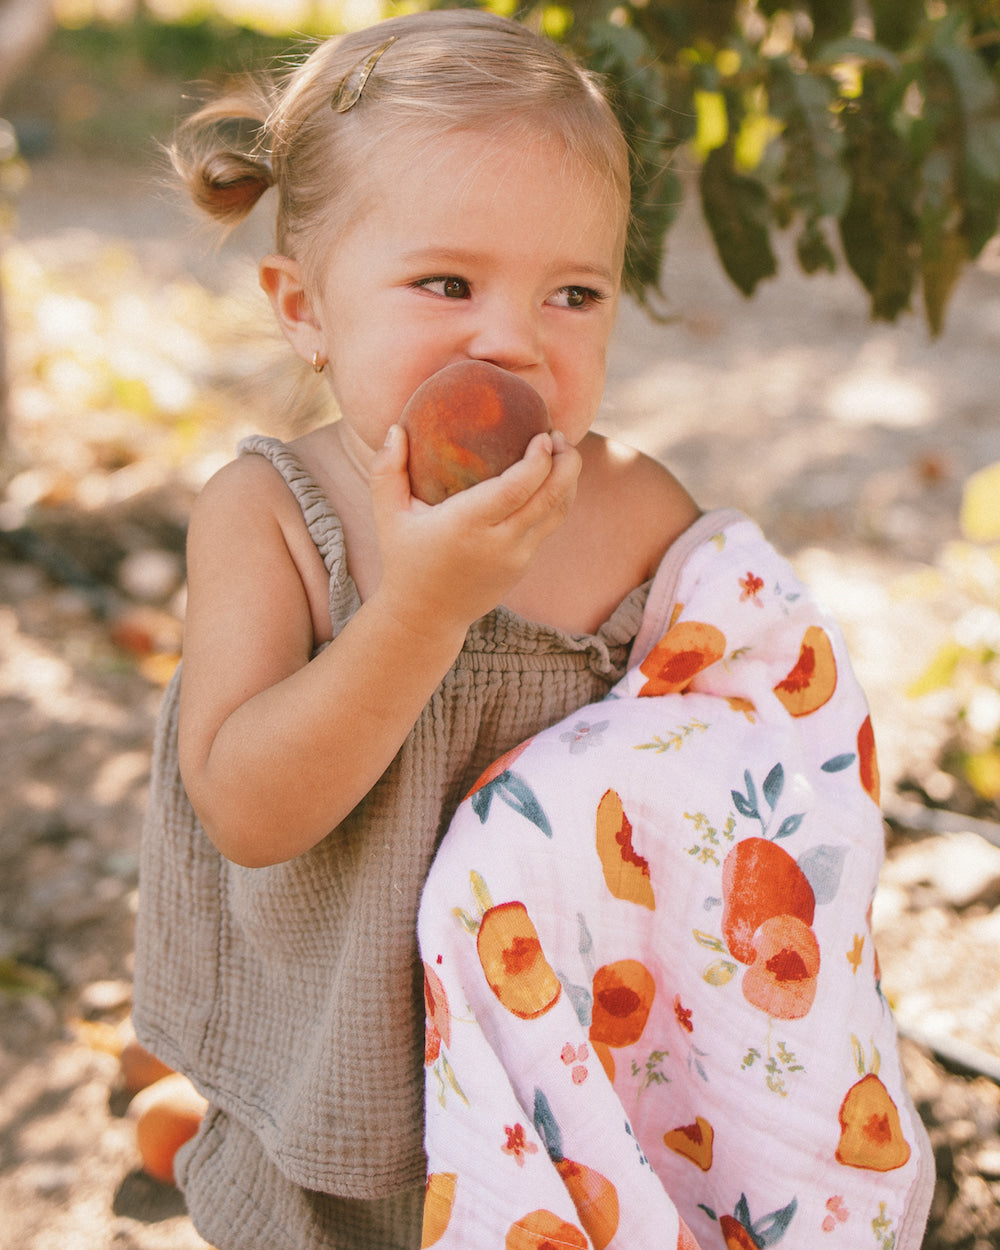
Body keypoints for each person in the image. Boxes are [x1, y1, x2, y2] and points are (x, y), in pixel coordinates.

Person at [132, 10, 702, 1249]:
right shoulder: (271, 516)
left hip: (566, 1090)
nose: (512, 339)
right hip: (351, 1081)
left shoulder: (643, 512)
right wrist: (422, 609)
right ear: (306, 308)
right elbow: (248, 807)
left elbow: (737, 744)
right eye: (447, 283)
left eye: (574, 292)